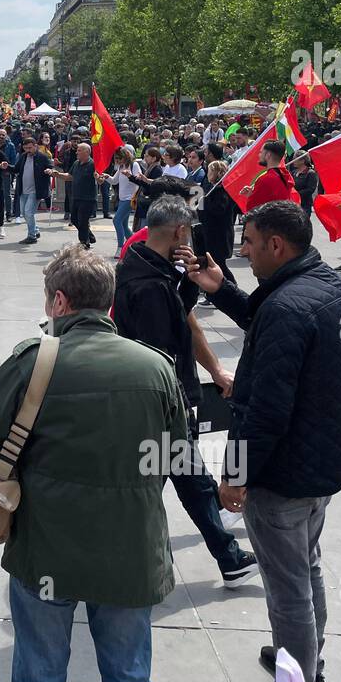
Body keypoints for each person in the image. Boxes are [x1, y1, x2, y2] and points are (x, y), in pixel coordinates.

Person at [0, 244, 189, 682]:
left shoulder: (33, 361)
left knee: (40, 672)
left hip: (47, 548)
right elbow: (176, 454)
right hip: (131, 550)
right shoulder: (157, 368)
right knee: (128, 675)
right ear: (107, 302)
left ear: (60, 302)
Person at [183, 201, 341, 682]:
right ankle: (303, 656)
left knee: (288, 590)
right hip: (320, 458)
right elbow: (276, 323)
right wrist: (224, 292)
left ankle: (299, 678)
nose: (244, 251)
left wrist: (236, 473)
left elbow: (265, 411)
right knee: (307, 567)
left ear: (276, 245)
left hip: (282, 471)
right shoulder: (324, 285)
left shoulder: (286, 306)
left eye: (251, 243)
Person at [114, 197, 258, 589]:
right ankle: (111, 559)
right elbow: (162, 353)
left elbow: (178, 319)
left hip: (159, 405)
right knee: (149, 489)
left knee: (188, 479)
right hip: (161, 405)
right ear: (180, 232)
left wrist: (187, 282)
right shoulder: (151, 286)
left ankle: (229, 558)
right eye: (190, 230)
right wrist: (178, 406)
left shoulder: (145, 266)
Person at [48, 142, 97, 248]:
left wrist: (99, 178)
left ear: (87, 152)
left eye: (79, 150)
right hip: (75, 196)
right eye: (77, 150)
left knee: (83, 221)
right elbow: (70, 176)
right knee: (74, 219)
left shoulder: (93, 164)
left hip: (87, 198)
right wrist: (57, 174)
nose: (76, 152)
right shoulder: (76, 163)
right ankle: (89, 236)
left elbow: (100, 179)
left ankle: (84, 243)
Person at [14, 136, 51, 245]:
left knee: (29, 212)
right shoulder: (23, 156)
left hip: (35, 190)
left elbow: (50, 166)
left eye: (30, 148)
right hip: (23, 189)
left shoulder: (42, 157)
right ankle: (35, 230)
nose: (27, 150)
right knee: (24, 213)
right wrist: (5, 166)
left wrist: (49, 170)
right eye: (25, 148)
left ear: (35, 146)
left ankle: (31, 236)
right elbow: (16, 169)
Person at [241, 141, 299, 209]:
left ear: (268, 155)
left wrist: (251, 196)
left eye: (261, 152)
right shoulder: (285, 175)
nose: (259, 155)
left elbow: (252, 208)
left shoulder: (265, 179)